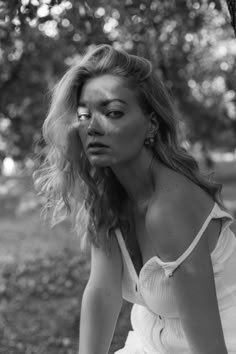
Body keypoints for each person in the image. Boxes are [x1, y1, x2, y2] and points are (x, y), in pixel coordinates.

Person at [34, 44, 236, 354]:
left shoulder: (170, 207)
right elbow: (103, 292)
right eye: (85, 114)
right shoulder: (106, 195)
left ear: (151, 125)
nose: (93, 127)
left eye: (113, 112)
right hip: (146, 344)